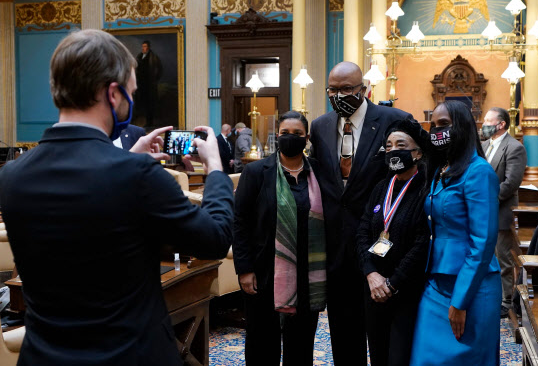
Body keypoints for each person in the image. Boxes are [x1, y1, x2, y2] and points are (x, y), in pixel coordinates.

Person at [0, 29, 233, 366]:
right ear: (113, 93)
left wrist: (131, 159)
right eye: (131, 93)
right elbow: (214, 239)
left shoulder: (11, 176)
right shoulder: (137, 176)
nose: (131, 101)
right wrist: (215, 168)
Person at [309, 61, 411, 366]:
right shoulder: (320, 126)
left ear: (363, 89)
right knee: (343, 333)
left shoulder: (394, 120)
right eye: (332, 89)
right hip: (337, 247)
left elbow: (412, 177)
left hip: (382, 246)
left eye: (346, 89)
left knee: (383, 335)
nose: (338, 95)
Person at [410, 100, 501, 366]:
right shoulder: (440, 171)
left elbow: (482, 243)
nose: (438, 131)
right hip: (435, 283)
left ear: (461, 127)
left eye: (444, 125)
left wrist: (461, 301)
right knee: (423, 357)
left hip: (472, 287)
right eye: (434, 126)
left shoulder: (479, 172)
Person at [233, 111, 326, 365]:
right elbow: (240, 221)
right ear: (277, 136)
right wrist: (244, 268)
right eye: (285, 133)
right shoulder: (256, 172)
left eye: (297, 134)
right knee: (262, 342)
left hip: (308, 274)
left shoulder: (318, 172)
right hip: (263, 272)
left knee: (301, 343)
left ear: (306, 139)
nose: (291, 138)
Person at [355, 119, 430, 366]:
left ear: (417, 152)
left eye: (401, 145)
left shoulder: (427, 189)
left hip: (405, 290)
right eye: (388, 146)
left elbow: (422, 242)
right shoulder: (381, 187)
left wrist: (392, 284)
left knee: (399, 357)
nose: (392, 151)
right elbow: (363, 231)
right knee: (377, 354)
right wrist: (371, 274)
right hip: (373, 287)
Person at [481, 107, 527, 318]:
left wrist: (485, 197)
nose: (484, 124)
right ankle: (486, 295)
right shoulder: (482, 145)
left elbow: (511, 183)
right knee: (482, 256)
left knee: (502, 260)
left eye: (488, 121)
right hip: (480, 212)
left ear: (500, 125)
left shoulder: (514, 147)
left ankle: (505, 300)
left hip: (500, 211)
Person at [134, 40, 163, 128]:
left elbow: (159, 70)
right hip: (141, 85)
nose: (143, 48)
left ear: (148, 47)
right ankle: (141, 120)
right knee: (141, 103)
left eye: (145, 47)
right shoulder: (139, 56)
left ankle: (150, 122)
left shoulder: (153, 57)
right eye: (142, 46)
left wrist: (154, 80)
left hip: (149, 85)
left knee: (150, 104)